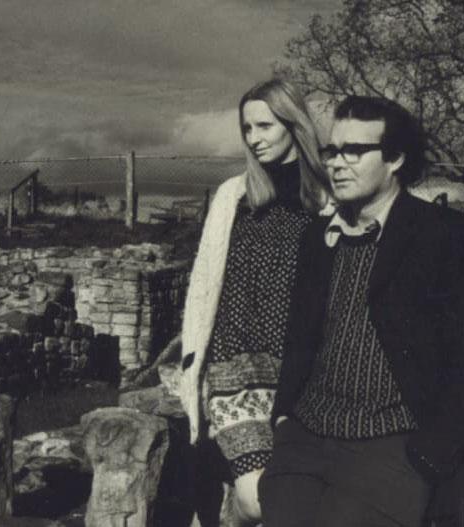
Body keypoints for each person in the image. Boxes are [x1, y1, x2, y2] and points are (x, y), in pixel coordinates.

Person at [259, 95, 464, 527]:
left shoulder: (444, 236)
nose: (337, 163)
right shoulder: (317, 238)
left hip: (393, 445)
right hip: (306, 437)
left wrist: (430, 455)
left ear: (395, 159)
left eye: (354, 151)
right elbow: (300, 338)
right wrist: (283, 418)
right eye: (332, 150)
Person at [178, 78, 331, 526]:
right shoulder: (234, 195)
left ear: (293, 124)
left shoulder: (327, 199)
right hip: (236, 366)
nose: (254, 138)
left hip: (301, 371)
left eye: (264, 125)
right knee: (256, 500)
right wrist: (195, 361)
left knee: (295, 498)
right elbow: (204, 283)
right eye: (247, 128)